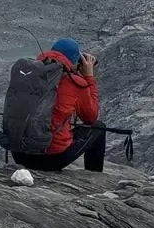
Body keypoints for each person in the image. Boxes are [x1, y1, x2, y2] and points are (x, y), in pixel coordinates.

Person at [11, 37, 107, 173]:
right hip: (51, 159)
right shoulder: (75, 82)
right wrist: (89, 78)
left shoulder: (30, 74)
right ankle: (94, 177)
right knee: (99, 127)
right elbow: (90, 117)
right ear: (73, 60)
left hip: (19, 154)